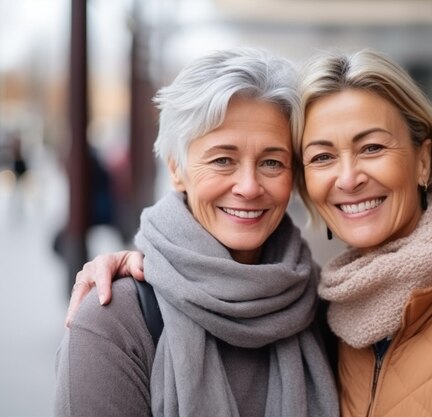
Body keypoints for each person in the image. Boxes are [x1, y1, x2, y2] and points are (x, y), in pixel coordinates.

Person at [67, 48, 432, 416]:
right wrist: (150, 268)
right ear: (177, 171)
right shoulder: (340, 307)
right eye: (323, 156)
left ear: (423, 159)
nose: (249, 186)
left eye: (372, 147)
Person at [54, 48, 339, 417]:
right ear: (176, 169)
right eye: (223, 160)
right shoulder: (113, 322)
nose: (249, 187)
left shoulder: (324, 306)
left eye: (272, 162)